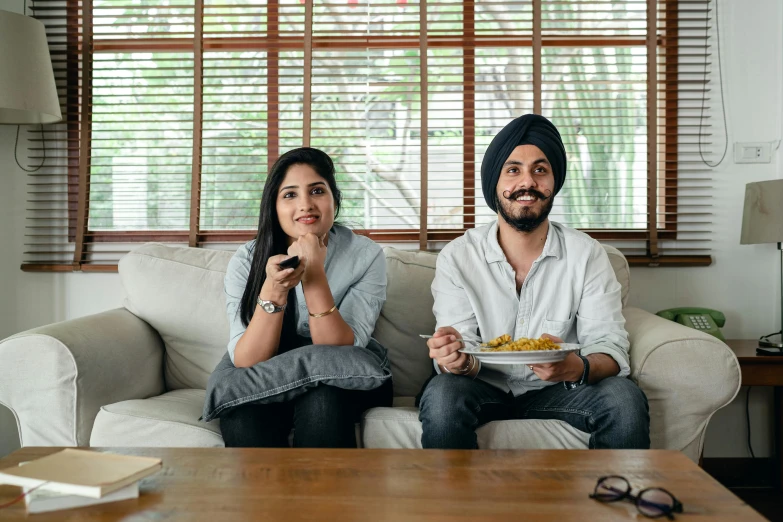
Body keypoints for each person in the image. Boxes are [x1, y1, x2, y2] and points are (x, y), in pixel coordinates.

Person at [418, 114, 650, 450]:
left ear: (554, 181)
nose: (527, 182)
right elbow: (462, 340)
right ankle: (455, 503)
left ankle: (616, 501)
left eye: (540, 170)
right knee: (441, 395)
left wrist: (575, 368)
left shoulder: (587, 255)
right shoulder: (458, 257)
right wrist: (457, 358)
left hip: (562, 391)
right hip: (482, 387)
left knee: (624, 398)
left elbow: (608, 345)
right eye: (513, 170)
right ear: (494, 182)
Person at [219, 147, 392, 448]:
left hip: (340, 377)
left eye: (316, 191)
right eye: (290, 195)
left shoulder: (365, 255)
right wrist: (274, 288)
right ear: (273, 205)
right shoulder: (247, 260)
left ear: (334, 199)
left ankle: (323, 497)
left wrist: (314, 275)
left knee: (324, 401)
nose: (306, 205)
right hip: (266, 371)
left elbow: (340, 350)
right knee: (243, 410)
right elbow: (247, 360)